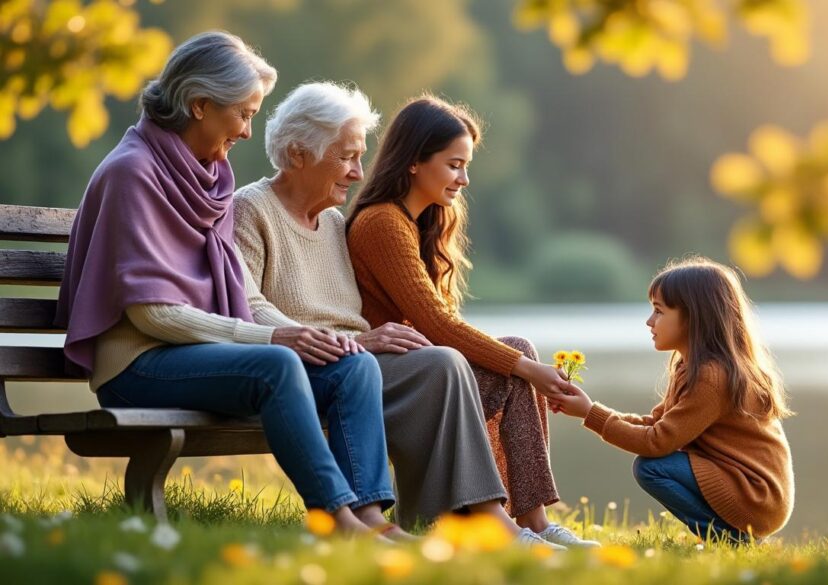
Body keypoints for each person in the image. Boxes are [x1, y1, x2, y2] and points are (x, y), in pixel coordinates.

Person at [55, 32, 397, 540]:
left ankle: (371, 519)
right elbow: (152, 314)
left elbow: (239, 293)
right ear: (199, 104)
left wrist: (303, 334)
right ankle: (335, 518)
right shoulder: (133, 173)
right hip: (139, 367)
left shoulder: (208, 175)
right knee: (277, 363)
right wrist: (275, 339)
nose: (247, 131)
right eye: (243, 113)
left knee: (353, 366)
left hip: (199, 357)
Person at [233, 81, 567, 548]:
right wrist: (361, 342)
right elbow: (247, 305)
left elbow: (374, 315)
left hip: (362, 361)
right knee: (445, 361)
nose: (356, 173)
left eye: (359, 157)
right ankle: (485, 518)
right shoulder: (253, 209)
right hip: (321, 366)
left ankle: (529, 520)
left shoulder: (332, 220)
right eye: (347, 157)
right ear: (299, 154)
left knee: (507, 354)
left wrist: (369, 339)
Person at [346, 95, 597, 548]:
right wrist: (529, 372)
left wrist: (522, 364)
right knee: (515, 360)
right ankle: (492, 520)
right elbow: (436, 326)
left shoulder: (421, 223)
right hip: (385, 377)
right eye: (454, 165)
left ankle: (535, 522)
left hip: (424, 370)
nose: (463, 179)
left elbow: (440, 324)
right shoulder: (382, 222)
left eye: (466, 166)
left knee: (517, 347)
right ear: (414, 163)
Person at [548, 257, 795, 543]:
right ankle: (733, 536)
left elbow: (657, 442)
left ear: (693, 317)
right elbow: (657, 424)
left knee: (651, 467)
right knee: (654, 464)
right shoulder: (692, 367)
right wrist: (588, 410)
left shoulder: (712, 377)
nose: (649, 321)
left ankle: (730, 539)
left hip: (756, 496)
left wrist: (590, 414)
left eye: (658, 311)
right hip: (749, 491)